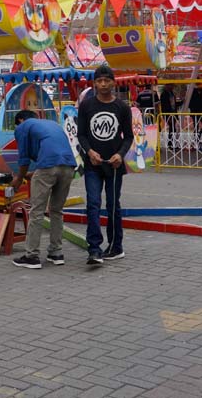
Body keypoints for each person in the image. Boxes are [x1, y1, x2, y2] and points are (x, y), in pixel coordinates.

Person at [77, 64, 133, 265]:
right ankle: (94, 249)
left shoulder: (122, 107)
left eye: (106, 80)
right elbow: (81, 134)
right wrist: (89, 152)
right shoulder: (86, 105)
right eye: (99, 81)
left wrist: (120, 154)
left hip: (115, 166)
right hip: (93, 164)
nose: (103, 84)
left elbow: (128, 137)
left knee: (112, 205)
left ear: (113, 82)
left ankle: (116, 247)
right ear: (94, 83)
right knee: (93, 204)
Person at [9, 110, 78, 269]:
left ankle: (31, 256)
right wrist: (36, 173)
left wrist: (19, 179)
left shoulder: (23, 126)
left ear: (20, 119)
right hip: (68, 167)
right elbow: (53, 154)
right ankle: (56, 253)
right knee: (56, 210)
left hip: (48, 166)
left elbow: (24, 157)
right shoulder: (52, 124)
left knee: (37, 211)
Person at [159, 83, 178, 147]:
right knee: (172, 128)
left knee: (173, 128)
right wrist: (167, 115)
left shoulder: (172, 93)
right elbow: (164, 105)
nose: (172, 87)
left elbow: (174, 103)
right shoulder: (164, 94)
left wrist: (181, 102)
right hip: (168, 114)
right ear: (166, 86)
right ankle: (170, 143)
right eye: (171, 85)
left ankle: (171, 142)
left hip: (173, 113)